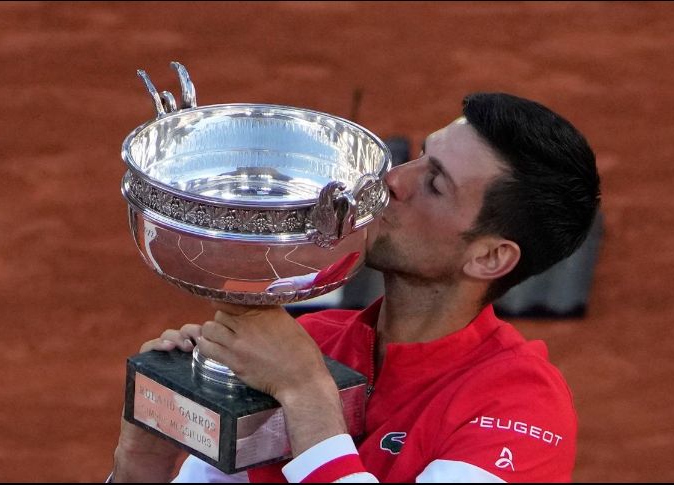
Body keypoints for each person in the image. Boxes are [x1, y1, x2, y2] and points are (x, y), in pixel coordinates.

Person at [110, 92, 601, 483]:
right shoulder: (315, 341)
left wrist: (307, 393)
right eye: (421, 157)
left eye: (435, 184)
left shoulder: (519, 408)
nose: (393, 180)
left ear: (490, 257)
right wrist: (142, 464)